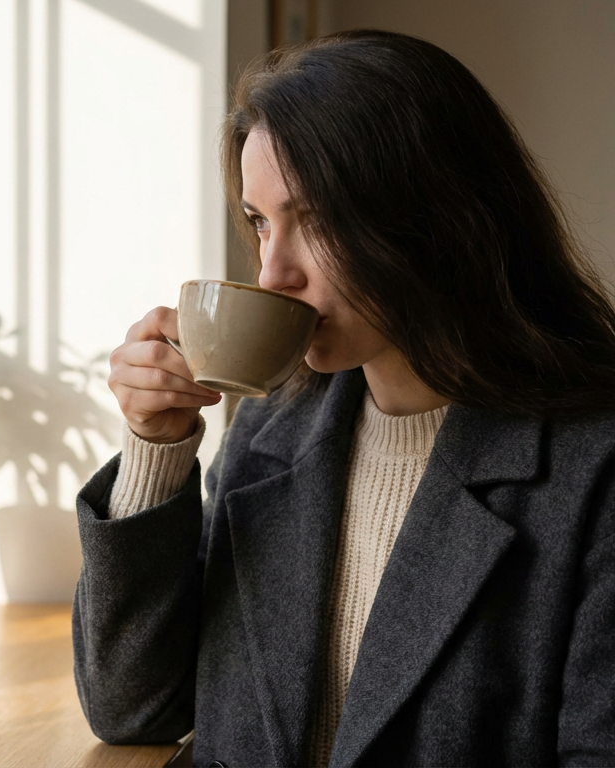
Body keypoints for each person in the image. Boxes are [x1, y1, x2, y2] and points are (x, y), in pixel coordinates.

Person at [72, 29, 615, 767]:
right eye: (261, 223)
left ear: (441, 216)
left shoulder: (593, 467)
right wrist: (154, 451)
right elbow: (134, 709)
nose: (271, 274)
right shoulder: (274, 426)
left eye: (318, 219)